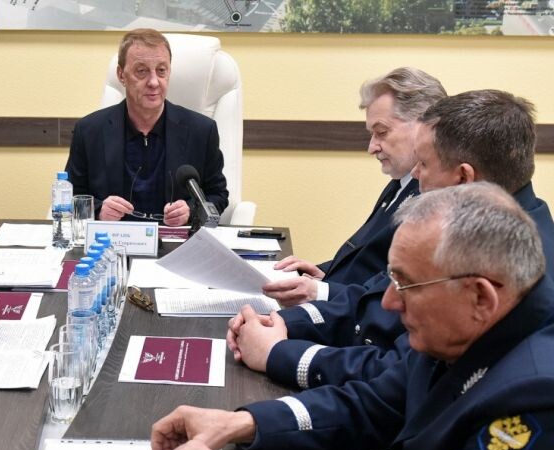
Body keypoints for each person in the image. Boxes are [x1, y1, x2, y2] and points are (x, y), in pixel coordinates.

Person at [151, 183, 554, 450]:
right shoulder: (470, 327)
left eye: (407, 285)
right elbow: (373, 405)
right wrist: (243, 423)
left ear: (480, 297)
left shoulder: (538, 399)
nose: (390, 303)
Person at [229, 90, 554, 392]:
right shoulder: (470, 224)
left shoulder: (515, 261)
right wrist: (280, 322)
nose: (416, 175)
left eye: (423, 164)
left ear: (464, 178)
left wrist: (279, 353)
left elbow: (399, 375)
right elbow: (369, 299)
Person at [262, 68, 445, 306]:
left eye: (381, 132)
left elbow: (394, 289)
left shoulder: (432, 193)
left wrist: (323, 291)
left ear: (425, 126)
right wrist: (325, 273)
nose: (372, 147)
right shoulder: (401, 183)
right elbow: (368, 257)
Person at [64, 28, 228, 226]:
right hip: (113, 240)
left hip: (175, 241)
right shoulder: (89, 131)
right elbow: (71, 197)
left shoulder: (201, 131)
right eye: (141, 71)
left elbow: (218, 195)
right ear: (121, 75)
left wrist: (190, 211)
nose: (153, 82)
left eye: (161, 70)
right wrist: (98, 210)